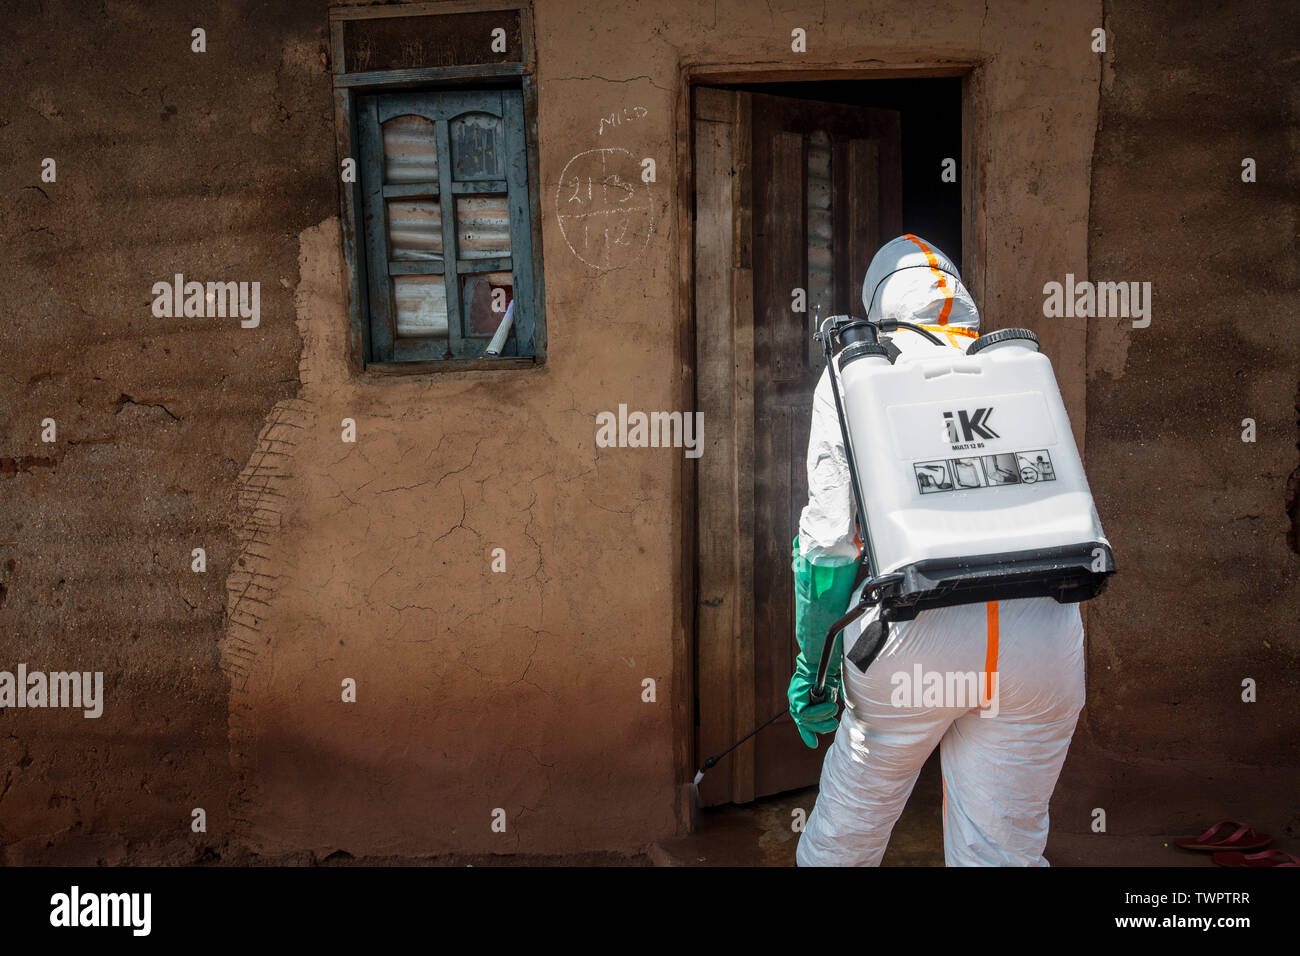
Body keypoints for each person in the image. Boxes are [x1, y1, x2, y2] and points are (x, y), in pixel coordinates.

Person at [788, 235, 1086, 867]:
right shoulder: (1014, 366)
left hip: (913, 639)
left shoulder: (856, 371)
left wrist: (812, 668)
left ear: (878, 302)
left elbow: (829, 546)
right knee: (1001, 855)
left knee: (844, 844)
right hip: (1043, 643)